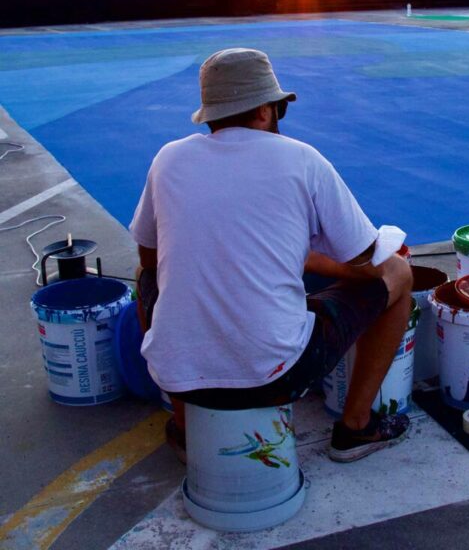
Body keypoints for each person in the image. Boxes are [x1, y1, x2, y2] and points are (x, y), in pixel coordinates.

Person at [130, 48, 413, 464]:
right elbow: (367, 262)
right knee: (399, 275)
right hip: (277, 373)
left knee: (144, 278)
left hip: (179, 376)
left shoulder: (168, 158)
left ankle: (189, 428)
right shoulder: (302, 159)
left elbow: (151, 259)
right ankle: (356, 427)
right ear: (265, 110)